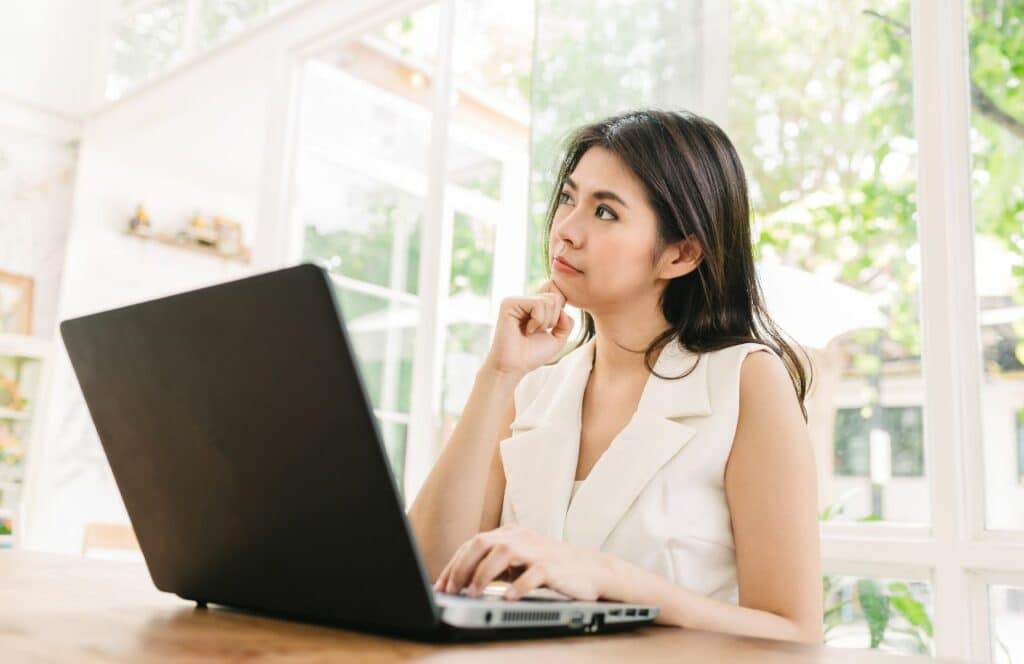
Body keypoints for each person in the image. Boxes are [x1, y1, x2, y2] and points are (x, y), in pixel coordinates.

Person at [407, 108, 822, 644]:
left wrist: (611, 579)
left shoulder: (745, 380)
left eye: (605, 212)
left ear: (680, 253)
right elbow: (426, 570)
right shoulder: (533, 389)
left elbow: (795, 631)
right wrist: (499, 373)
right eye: (567, 199)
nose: (567, 231)